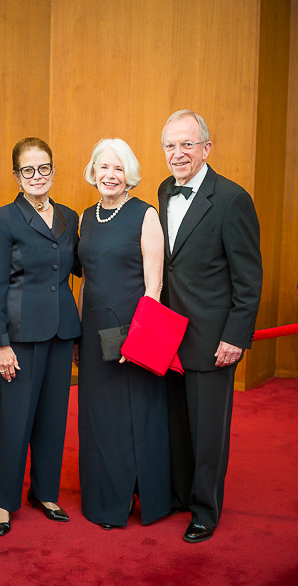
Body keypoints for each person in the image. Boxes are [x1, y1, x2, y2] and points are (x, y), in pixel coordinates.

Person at [158, 109, 262, 543]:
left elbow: (249, 277)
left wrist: (235, 337)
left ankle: (205, 510)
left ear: (206, 147)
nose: (178, 153)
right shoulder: (164, 191)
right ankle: (180, 494)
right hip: (167, 334)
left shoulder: (233, 199)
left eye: (187, 144)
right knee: (176, 423)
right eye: (170, 146)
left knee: (208, 430)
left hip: (212, 337)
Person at [0, 137, 81, 536]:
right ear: (16, 176)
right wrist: (0, 343)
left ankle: (44, 492)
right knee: (16, 419)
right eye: (28, 170)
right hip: (19, 337)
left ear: (54, 171)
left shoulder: (70, 216)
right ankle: (5, 501)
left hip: (62, 332)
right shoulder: (1, 219)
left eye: (44, 168)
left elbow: (78, 268)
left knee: (54, 417)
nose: (37, 176)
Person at [77, 138, 171, 530]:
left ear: (128, 173)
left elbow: (155, 286)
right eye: (104, 167)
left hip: (133, 331)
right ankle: (104, 501)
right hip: (93, 329)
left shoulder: (145, 214)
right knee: (99, 420)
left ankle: (144, 496)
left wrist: (140, 339)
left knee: (136, 416)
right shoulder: (86, 215)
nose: (110, 175)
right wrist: (78, 333)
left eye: (118, 168)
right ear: (94, 171)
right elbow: (85, 281)